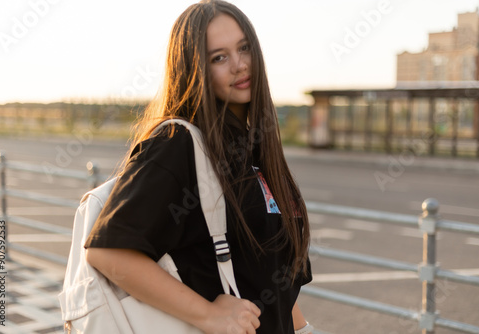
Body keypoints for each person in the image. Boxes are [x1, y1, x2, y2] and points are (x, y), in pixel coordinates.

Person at [85, 1, 313, 333]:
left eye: (244, 48)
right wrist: (208, 314)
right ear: (193, 68)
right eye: (219, 57)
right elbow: (109, 253)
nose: (239, 65)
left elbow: (278, 283)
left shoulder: (256, 150)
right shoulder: (178, 143)